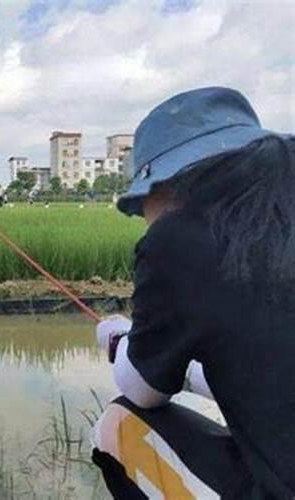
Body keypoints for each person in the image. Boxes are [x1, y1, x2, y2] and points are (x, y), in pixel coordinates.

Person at [90, 87, 294, 498]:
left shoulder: (179, 239)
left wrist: (118, 338)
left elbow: (144, 391)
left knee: (118, 424)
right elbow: (267, 372)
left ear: (167, 186)